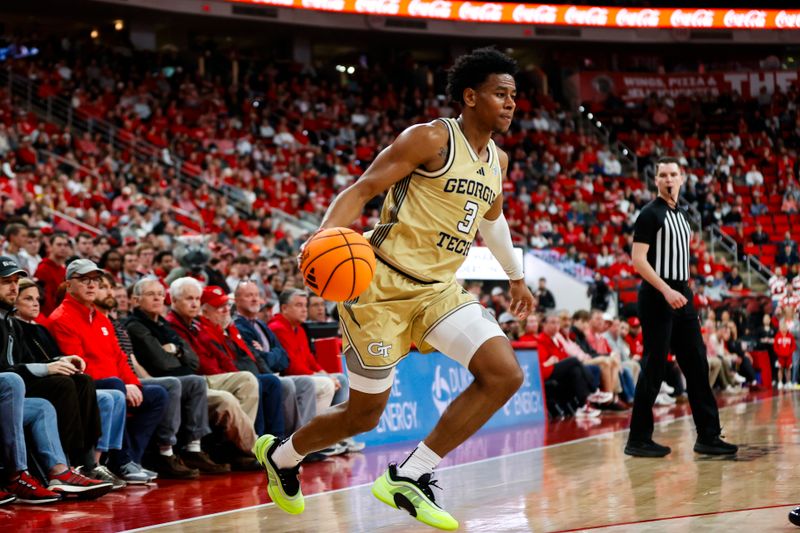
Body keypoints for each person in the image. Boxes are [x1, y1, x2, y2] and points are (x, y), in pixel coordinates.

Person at [254, 48, 534, 530]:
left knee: (504, 374)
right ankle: (282, 455)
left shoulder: (497, 161)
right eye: (501, 94)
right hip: (379, 285)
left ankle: (410, 475)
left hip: (438, 290)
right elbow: (362, 189)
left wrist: (516, 276)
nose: (511, 104)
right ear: (470, 96)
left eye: (514, 96)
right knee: (364, 416)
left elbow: (494, 218)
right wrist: (320, 242)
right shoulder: (429, 139)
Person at [625, 157, 737, 458]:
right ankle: (638, 438)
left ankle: (709, 436)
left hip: (681, 293)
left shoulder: (684, 214)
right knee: (654, 364)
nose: (669, 179)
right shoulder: (649, 214)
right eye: (663, 175)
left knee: (698, 364)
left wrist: (683, 288)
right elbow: (638, 260)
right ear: (656, 180)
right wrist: (665, 289)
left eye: (674, 174)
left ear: (682, 178)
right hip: (656, 293)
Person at [47, 259, 170, 483]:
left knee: (158, 395)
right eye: (84, 280)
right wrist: (123, 385)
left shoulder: (102, 319)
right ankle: (120, 461)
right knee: (115, 386)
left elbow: (120, 359)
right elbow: (78, 366)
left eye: (95, 280)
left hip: (115, 383)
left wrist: (134, 384)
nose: (92, 285)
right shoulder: (61, 318)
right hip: (84, 387)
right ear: (68, 284)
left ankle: (132, 459)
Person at [15, 278, 128, 490]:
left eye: (37, 299)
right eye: (27, 299)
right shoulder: (15, 327)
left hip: (46, 378)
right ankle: (70, 461)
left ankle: (89, 462)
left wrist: (66, 362)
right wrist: (53, 366)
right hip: (29, 382)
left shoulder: (40, 329)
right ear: (15, 301)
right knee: (68, 385)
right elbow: (20, 364)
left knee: (84, 381)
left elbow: (53, 357)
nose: (35, 303)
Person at [33, 232, 72, 316]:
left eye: (65, 245)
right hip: (50, 315)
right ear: (50, 247)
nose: (63, 248)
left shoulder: (64, 270)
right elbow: (45, 299)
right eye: (59, 245)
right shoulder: (43, 269)